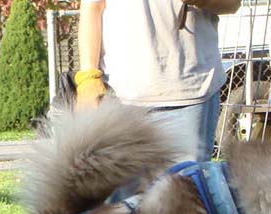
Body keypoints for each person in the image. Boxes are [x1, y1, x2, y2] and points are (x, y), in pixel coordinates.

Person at [76, 0, 241, 162]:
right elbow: (92, 7)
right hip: (121, 98)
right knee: (127, 188)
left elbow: (232, 3)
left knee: (185, 185)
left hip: (190, 95)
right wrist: (88, 76)